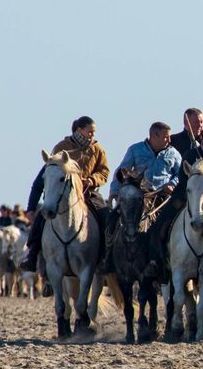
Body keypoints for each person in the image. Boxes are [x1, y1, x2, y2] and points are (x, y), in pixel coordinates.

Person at [23, 116, 110, 272]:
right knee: (41, 220)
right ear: (79, 129)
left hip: (88, 193)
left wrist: (92, 180)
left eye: (94, 132)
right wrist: (30, 208)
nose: (92, 135)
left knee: (106, 217)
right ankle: (32, 255)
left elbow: (103, 172)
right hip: (61, 194)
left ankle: (106, 257)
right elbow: (42, 180)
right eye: (90, 132)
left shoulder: (98, 150)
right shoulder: (61, 147)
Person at [111, 121, 185, 268]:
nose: (169, 140)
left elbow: (179, 174)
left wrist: (172, 184)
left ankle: (164, 259)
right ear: (154, 136)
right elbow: (121, 171)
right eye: (166, 137)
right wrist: (114, 191)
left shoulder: (174, 153)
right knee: (113, 220)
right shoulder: (135, 150)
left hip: (162, 197)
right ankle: (108, 259)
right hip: (138, 195)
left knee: (170, 225)